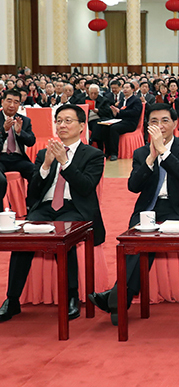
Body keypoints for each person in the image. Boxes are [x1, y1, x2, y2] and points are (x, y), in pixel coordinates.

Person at [88, 104, 179, 325]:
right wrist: (151, 159)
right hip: (150, 208)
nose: (159, 125)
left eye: (164, 120)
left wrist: (164, 151)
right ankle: (120, 297)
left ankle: (116, 298)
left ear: (174, 124)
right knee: (139, 240)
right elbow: (133, 186)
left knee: (147, 241)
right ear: (147, 126)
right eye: (154, 121)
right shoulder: (141, 152)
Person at [0, 105, 105, 323]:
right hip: (45, 207)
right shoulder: (42, 153)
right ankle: (12, 299)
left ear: (82, 126)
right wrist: (46, 165)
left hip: (75, 207)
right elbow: (34, 193)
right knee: (24, 239)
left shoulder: (93, 154)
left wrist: (64, 163)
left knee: (64, 236)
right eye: (59, 121)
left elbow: (86, 187)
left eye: (68, 121)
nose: (62, 125)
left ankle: (71, 297)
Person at [0, 89, 35, 202]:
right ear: (2, 102)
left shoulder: (24, 120)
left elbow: (31, 141)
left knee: (37, 174)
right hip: (0, 158)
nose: (12, 105)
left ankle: (31, 205)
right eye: (9, 101)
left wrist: (20, 132)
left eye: (16, 102)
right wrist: (4, 131)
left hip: (17, 159)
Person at [95, 80, 142, 161]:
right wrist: (115, 112)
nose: (125, 90)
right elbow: (118, 114)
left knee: (114, 128)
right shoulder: (122, 100)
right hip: (120, 120)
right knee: (105, 127)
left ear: (133, 90)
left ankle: (114, 153)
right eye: (124, 88)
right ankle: (107, 151)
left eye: (127, 88)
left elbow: (135, 113)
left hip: (130, 122)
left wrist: (120, 111)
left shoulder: (136, 100)